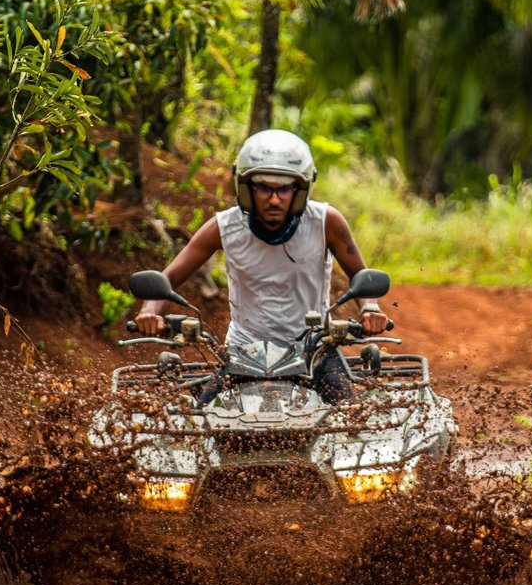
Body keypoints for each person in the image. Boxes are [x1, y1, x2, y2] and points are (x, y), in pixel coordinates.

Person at [134, 129, 389, 400]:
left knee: (350, 421)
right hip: (243, 353)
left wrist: (370, 308)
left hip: (314, 351)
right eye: (264, 188)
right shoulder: (224, 227)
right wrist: (150, 312)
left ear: (301, 189)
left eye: (284, 189)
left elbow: (362, 276)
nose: (274, 199)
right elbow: (168, 278)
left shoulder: (326, 222)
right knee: (199, 425)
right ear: (246, 188)